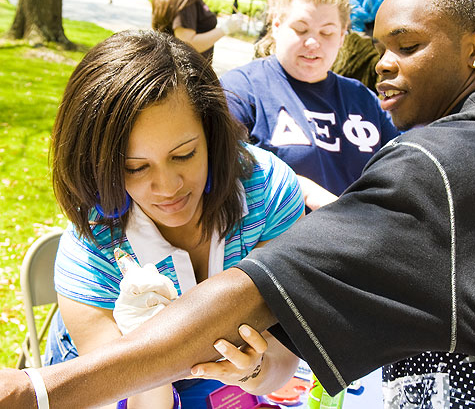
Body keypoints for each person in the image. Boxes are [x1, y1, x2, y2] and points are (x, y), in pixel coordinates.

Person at [0, 0, 475, 409]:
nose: (381, 66)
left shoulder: (439, 165)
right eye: (380, 48)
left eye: (407, 46)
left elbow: (256, 293)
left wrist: (32, 391)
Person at [41, 30, 303, 409]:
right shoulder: (90, 247)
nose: (166, 187)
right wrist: (144, 354)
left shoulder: (269, 194)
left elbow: (282, 365)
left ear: (212, 135)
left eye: (183, 155)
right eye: (135, 167)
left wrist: (250, 370)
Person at [222, 0, 398, 211]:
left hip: (355, 242)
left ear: (342, 36)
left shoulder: (362, 99)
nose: (313, 42)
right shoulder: (243, 89)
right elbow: (211, 157)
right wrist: (299, 187)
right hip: (277, 246)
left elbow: (405, 162)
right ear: (277, 25)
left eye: (326, 32)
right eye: (301, 29)